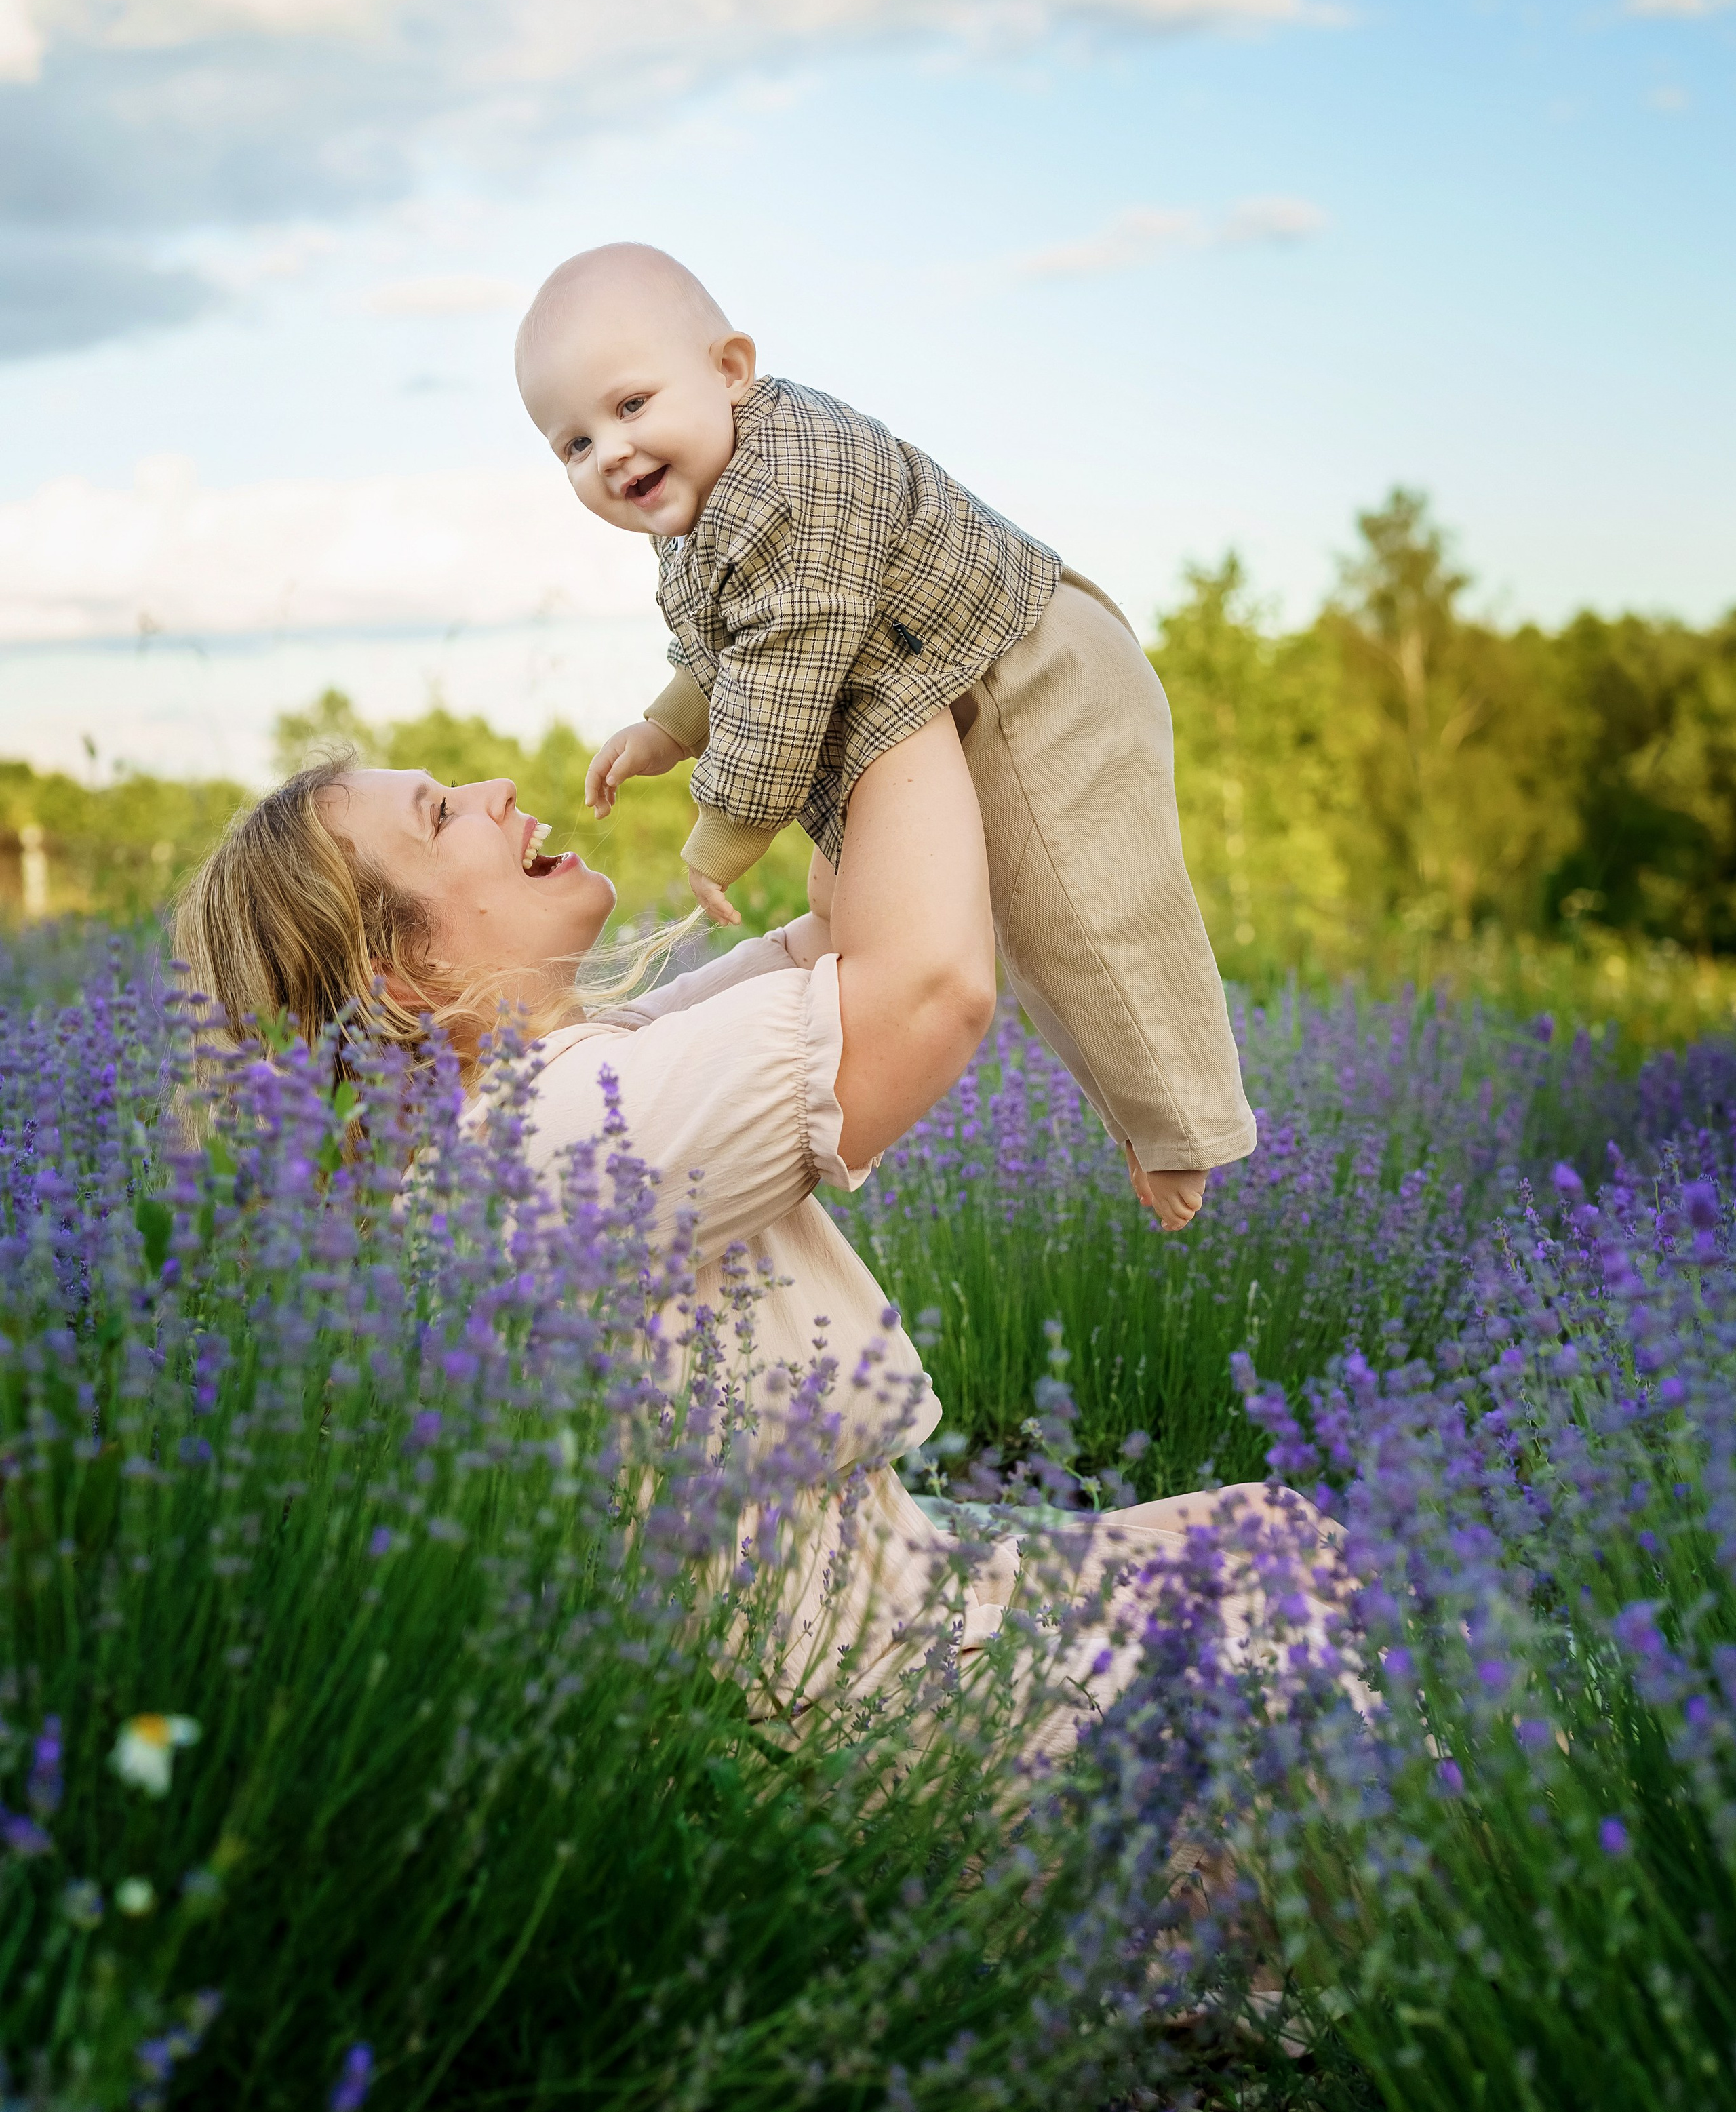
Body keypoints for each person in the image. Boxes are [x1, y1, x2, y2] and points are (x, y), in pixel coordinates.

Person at [175, 708, 1332, 1769]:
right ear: (401, 972)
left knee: (1269, 1539)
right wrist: (907, 644)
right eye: (440, 815)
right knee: (1305, 1622)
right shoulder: (564, 1140)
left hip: (892, 1613)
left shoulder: (530, 1105)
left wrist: (823, 680)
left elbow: (842, 926)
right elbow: (929, 988)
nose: (492, 787)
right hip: (877, 1709)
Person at [513, 242, 1256, 1238]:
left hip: (1030, 675)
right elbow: (742, 639)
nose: (609, 451)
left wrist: (721, 831)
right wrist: (665, 726)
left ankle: (1181, 1125)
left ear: (729, 372)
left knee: (1086, 909)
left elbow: (784, 669)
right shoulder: (702, 507)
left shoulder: (787, 481)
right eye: (573, 443)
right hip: (935, 684)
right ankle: (1139, 1104)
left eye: (632, 406)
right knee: (963, 920)